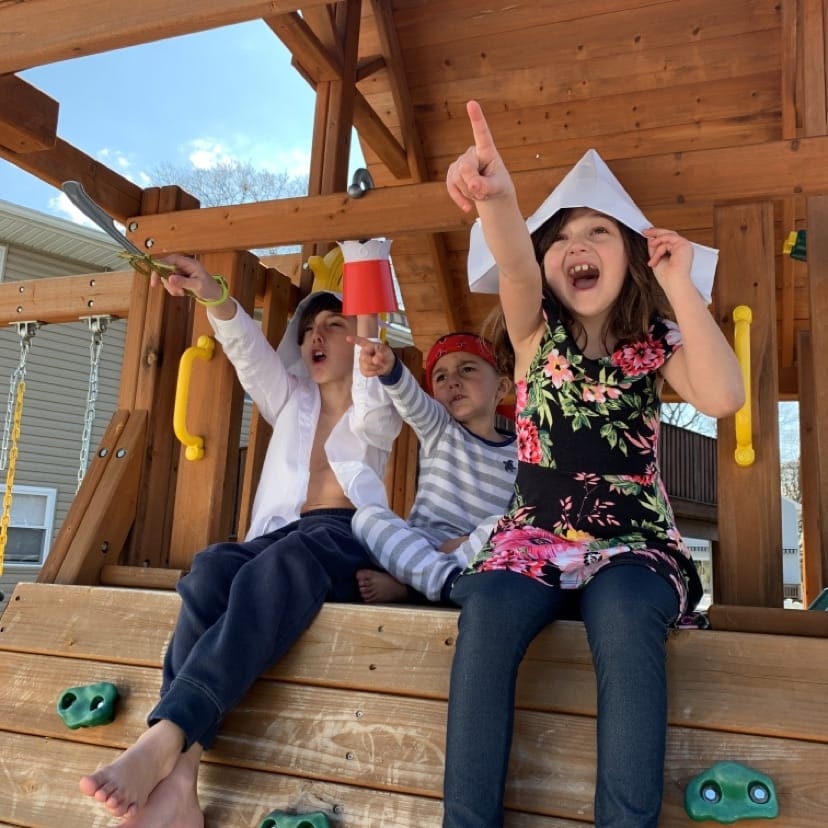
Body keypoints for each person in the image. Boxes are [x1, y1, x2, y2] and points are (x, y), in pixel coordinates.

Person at [442, 100, 745, 827]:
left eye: (599, 232)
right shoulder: (533, 332)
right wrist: (500, 199)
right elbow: (512, 258)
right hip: (533, 536)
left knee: (626, 613)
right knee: (486, 608)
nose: (579, 244)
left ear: (631, 254)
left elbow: (725, 394)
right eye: (563, 239)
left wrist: (679, 286)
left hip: (632, 541)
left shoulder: (653, 344)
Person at [79, 254, 401, 828]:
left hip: (343, 536)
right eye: (307, 333)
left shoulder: (377, 405)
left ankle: (166, 735)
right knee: (208, 569)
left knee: (272, 569)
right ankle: (181, 782)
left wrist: (362, 254)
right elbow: (247, 350)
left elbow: (371, 344)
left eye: (333, 326)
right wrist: (211, 291)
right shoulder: (290, 402)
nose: (316, 337)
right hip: (279, 535)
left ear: (360, 340)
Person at [349, 331, 517, 605]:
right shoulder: (440, 427)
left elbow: (517, 514)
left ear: (501, 387)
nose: (453, 382)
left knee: (505, 528)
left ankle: (414, 588)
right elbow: (411, 399)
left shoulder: (520, 452)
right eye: (441, 377)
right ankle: (447, 585)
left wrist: (464, 541)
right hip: (423, 542)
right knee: (365, 517)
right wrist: (390, 368)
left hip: (471, 549)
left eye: (467, 369)